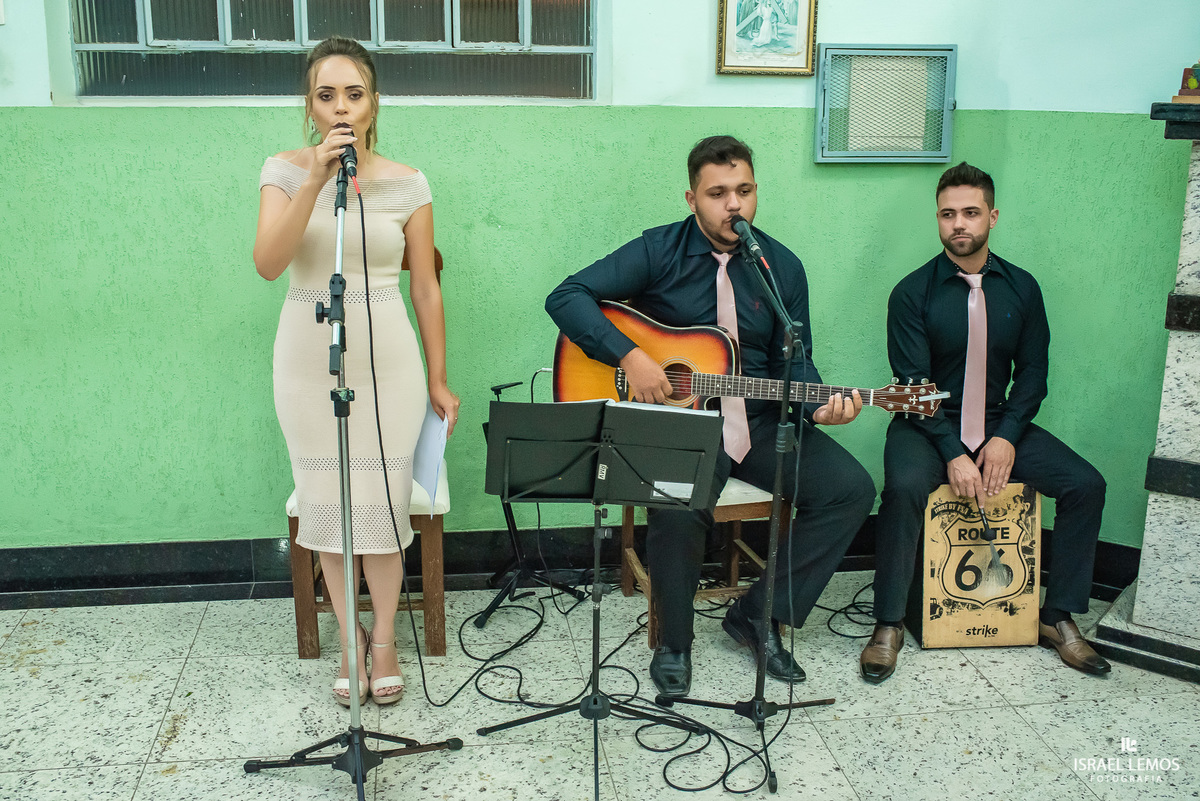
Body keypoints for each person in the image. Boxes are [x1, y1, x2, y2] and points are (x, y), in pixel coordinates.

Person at [545, 136, 875, 697]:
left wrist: (821, 402)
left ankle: (758, 613)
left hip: (763, 418)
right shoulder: (659, 251)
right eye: (718, 193)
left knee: (851, 490)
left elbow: (797, 358)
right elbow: (567, 295)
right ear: (692, 198)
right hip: (686, 423)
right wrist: (632, 357)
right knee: (677, 504)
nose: (734, 206)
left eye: (744, 191)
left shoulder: (781, 267)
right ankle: (674, 641)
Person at [253, 36, 459, 706]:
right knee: (331, 504)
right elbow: (268, 260)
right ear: (308, 105)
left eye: (354, 92)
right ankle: (347, 638)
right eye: (325, 94)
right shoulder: (283, 171)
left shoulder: (409, 181)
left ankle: (383, 640)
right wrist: (315, 176)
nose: (341, 105)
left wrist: (437, 376)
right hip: (308, 358)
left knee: (382, 503)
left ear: (374, 101)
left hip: (389, 362)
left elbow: (425, 286)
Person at [861, 162, 1109, 683]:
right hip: (928, 424)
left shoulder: (1022, 288)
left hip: (1000, 421)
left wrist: (1005, 439)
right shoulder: (911, 293)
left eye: (970, 213)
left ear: (992, 217)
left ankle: (1057, 616)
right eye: (948, 214)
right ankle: (888, 624)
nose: (959, 224)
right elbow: (913, 385)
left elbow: (1034, 375)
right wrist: (953, 451)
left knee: (1086, 484)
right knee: (903, 486)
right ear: (937, 220)